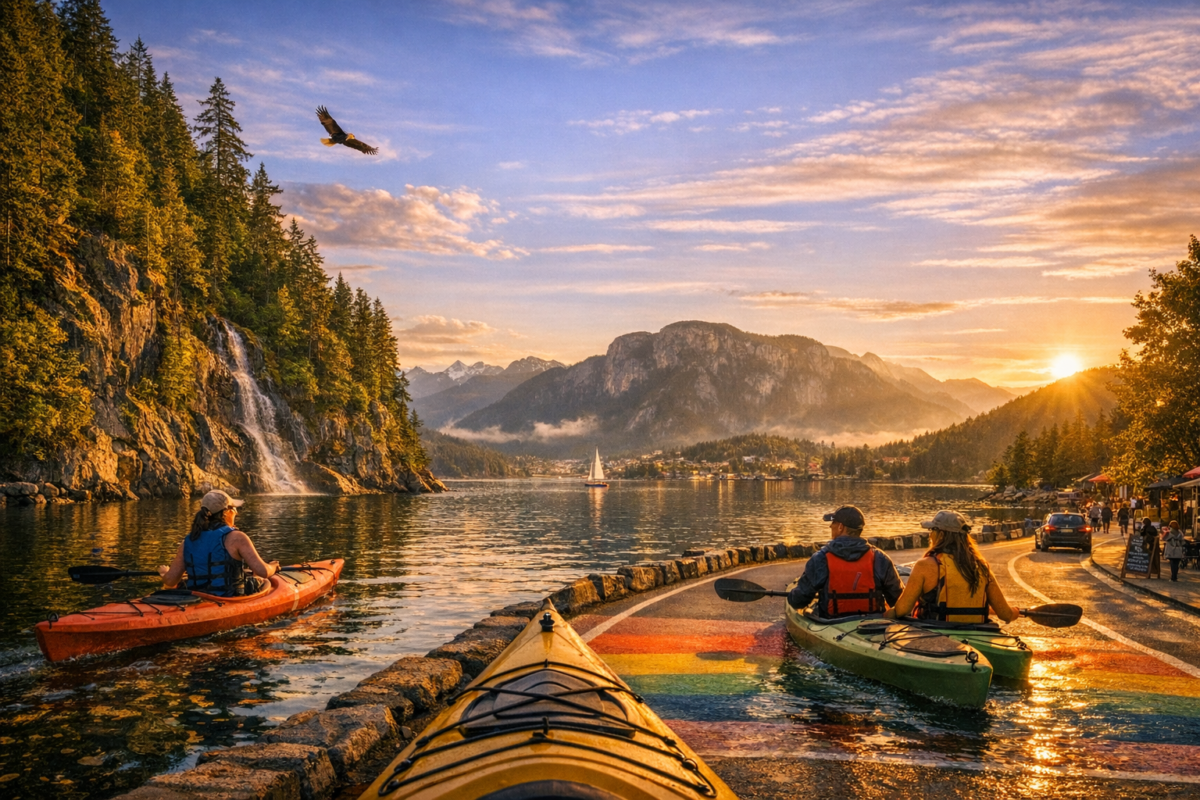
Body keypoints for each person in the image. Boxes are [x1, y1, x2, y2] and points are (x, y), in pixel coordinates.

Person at [884, 510, 1019, 624]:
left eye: (932, 530)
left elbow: (902, 610)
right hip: (977, 632)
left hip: (936, 634)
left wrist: (884, 615)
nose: (930, 534)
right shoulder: (981, 567)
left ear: (941, 535)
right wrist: (1015, 612)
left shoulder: (924, 565)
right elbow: (1005, 615)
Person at [787, 506, 903, 617]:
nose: (830, 526)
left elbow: (799, 601)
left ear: (841, 527)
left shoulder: (821, 558)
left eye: (833, 523)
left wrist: (791, 596)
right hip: (873, 625)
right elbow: (898, 599)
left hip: (830, 623)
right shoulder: (880, 558)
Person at [158, 490, 279, 596]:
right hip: (228, 598)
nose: (236, 512)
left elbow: (170, 581)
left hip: (196, 597)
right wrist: (273, 566)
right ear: (226, 512)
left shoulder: (188, 540)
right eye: (234, 508)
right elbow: (263, 572)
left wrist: (164, 573)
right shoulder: (236, 538)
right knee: (260, 581)